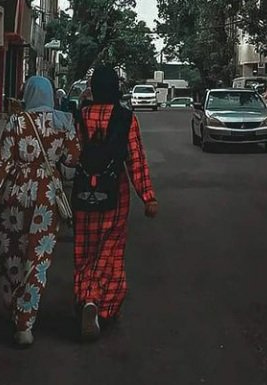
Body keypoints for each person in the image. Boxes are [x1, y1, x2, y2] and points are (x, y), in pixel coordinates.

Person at [0, 76, 80, 348]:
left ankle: (13, 306)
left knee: (11, 251)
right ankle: (26, 323)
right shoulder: (64, 122)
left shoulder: (16, 122)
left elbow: (1, 162)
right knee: (37, 258)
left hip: (14, 195)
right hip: (47, 197)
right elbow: (73, 161)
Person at [72, 64, 158, 341]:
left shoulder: (81, 115)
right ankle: (103, 306)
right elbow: (135, 160)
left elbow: (71, 155)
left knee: (85, 251)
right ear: (116, 88)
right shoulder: (125, 118)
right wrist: (148, 197)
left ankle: (86, 297)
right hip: (114, 196)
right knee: (110, 250)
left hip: (84, 195)